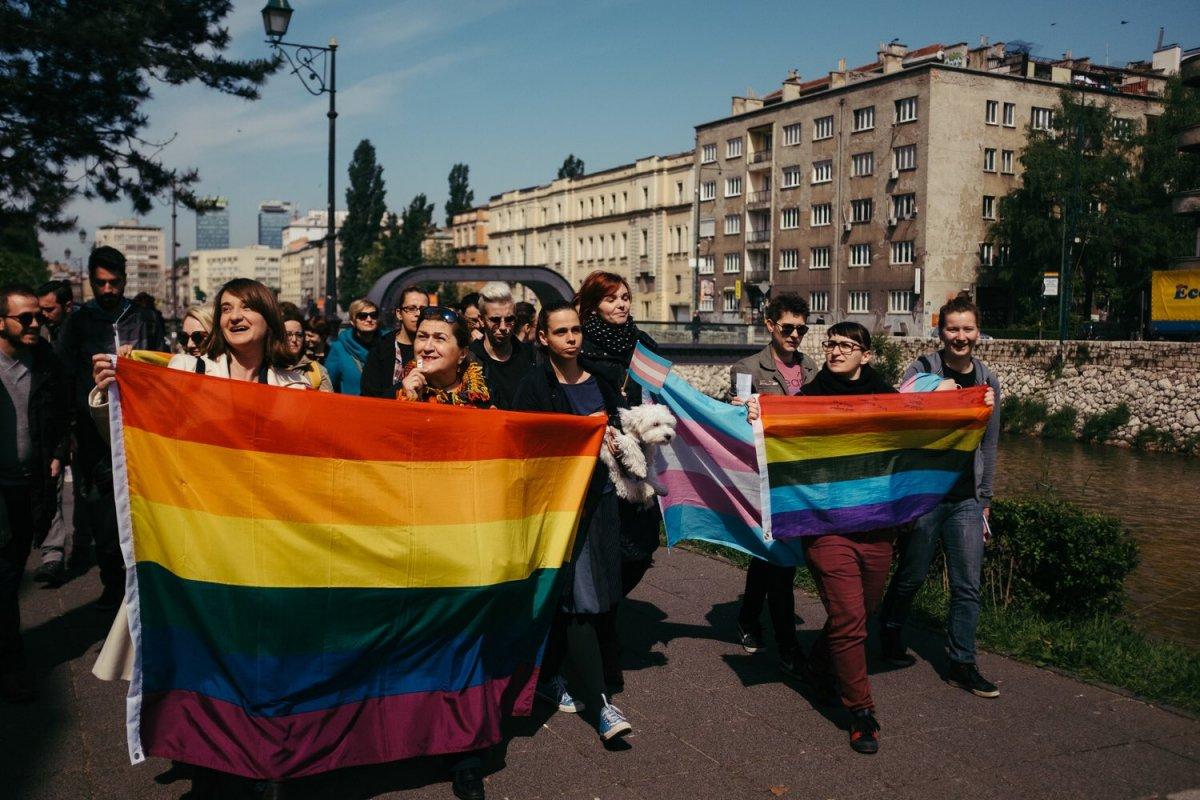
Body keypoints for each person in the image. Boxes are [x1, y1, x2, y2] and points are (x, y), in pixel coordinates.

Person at [90, 278, 320, 798]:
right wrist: (114, 386)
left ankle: (265, 758)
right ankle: (214, 758)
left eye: (245, 307)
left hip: (267, 542)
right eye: (225, 308)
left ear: (267, 315)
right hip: (199, 537)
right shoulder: (187, 370)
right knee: (206, 650)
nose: (234, 315)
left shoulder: (296, 386)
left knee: (263, 656)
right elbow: (136, 435)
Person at [513, 301, 633, 743]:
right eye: (561, 331)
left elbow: (620, 424)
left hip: (600, 499)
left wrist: (618, 441)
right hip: (559, 506)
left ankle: (546, 674)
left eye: (576, 330)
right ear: (543, 337)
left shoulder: (600, 379)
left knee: (593, 595)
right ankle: (601, 705)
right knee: (581, 598)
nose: (571, 338)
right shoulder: (534, 384)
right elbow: (525, 443)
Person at [879, 296, 1003, 698]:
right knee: (912, 575)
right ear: (940, 331)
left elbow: (989, 443)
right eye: (953, 328)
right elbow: (899, 409)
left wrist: (984, 501)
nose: (960, 336)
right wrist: (937, 391)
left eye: (967, 329)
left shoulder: (987, 379)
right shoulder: (923, 369)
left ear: (977, 333)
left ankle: (961, 662)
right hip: (925, 496)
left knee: (968, 584)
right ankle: (891, 629)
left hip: (966, 498)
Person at [795, 322, 899, 755]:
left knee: (861, 613)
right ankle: (860, 713)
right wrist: (757, 416)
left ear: (866, 355)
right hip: (826, 526)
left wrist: (972, 404)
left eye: (846, 345)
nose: (836, 351)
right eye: (831, 344)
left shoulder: (891, 401)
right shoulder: (806, 400)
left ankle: (819, 665)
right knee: (851, 617)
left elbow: (923, 431)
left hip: (876, 525)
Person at [58, 246, 167, 609]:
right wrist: (71, 430)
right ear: (90, 280)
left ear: (125, 279)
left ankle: (141, 586)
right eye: (100, 283)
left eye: (114, 282)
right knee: (102, 513)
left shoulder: (145, 318)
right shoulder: (78, 321)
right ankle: (112, 585)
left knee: (142, 513)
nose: (107, 290)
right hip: (94, 435)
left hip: (140, 429)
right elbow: (65, 375)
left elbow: (164, 370)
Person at [575, 270, 660, 692]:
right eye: (611, 299)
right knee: (606, 545)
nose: (622, 305)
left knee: (642, 548)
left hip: (643, 460)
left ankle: (604, 610)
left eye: (625, 298)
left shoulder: (643, 347)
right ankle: (595, 631)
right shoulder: (581, 349)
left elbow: (667, 388)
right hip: (602, 462)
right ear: (592, 305)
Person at [729, 293, 819, 678]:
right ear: (770, 325)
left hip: (801, 477)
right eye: (788, 328)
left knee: (768, 557)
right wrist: (737, 407)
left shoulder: (812, 367)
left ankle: (749, 617)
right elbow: (735, 418)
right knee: (779, 562)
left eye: (802, 328)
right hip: (765, 477)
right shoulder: (748, 367)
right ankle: (787, 646)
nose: (795, 335)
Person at [0, 285, 70, 701]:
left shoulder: (46, 362)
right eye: (24, 318)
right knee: (6, 579)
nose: (34, 323)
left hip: (27, 486)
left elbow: (61, 414)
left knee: (10, 570)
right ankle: (12, 664)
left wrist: (58, 452)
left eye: (37, 317)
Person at [30, 280, 74, 586]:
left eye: (48, 310)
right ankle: (53, 552)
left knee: (71, 490)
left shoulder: (77, 333)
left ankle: (65, 550)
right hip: (47, 425)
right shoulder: (39, 339)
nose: (40, 318)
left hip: (72, 421)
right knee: (48, 488)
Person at [396, 307, 491, 408]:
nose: (427, 347)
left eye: (440, 338)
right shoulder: (395, 395)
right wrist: (409, 402)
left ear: (462, 353)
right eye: (422, 337)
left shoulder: (484, 397)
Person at [468, 283, 537, 410]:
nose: (503, 327)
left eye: (509, 319)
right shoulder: (469, 359)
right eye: (495, 320)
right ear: (481, 320)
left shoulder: (532, 357)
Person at [360, 285, 429, 398]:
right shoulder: (380, 349)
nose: (418, 314)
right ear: (399, 314)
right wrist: (401, 388)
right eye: (411, 308)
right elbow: (369, 396)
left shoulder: (433, 348)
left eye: (423, 309)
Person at [324, 298, 379, 395]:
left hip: (383, 407)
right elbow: (328, 387)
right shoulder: (339, 348)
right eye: (362, 316)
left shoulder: (386, 344)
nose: (369, 319)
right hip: (352, 407)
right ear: (353, 321)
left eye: (373, 315)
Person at [282, 307, 333, 392]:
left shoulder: (318, 370)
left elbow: (327, 402)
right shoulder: (266, 365)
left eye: (299, 335)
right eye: (288, 334)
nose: (294, 339)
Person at [37, 280, 73, 349]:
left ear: (68, 307)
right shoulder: (40, 330)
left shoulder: (86, 329)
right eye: (41, 309)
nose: (43, 314)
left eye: (49, 309)